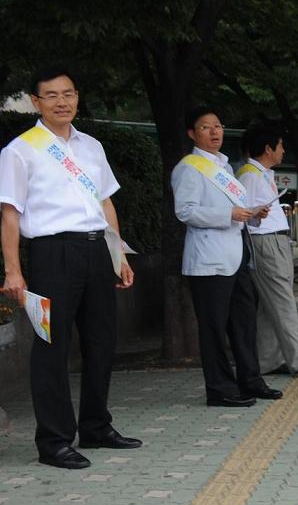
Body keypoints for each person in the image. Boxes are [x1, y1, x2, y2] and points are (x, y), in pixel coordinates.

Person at [0, 67, 141, 469]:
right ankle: (54, 441)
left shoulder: (92, 147)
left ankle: (96, 426)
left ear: (78, 97)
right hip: (52, 254)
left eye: (69, 94)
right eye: (52, 95)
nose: (62, 102)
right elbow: (9, 213)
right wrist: (14, 270)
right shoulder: (20, 150)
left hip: (98, 251)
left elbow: (107, 203)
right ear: (35, 101)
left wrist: (119, 256)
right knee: (51, 347)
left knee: (101, 342)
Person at [171, 109, 282, 408]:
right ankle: (219, 388)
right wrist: (228, 214)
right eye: (205, 127)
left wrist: (253, 213)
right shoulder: (188, 168)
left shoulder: (226, 167)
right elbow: (185, 211)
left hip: (237, 256)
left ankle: (250, 379)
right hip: (209, 260)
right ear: (192, 134)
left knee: (244, 323)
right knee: (214, 328)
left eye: (218, 126)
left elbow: (238, 209)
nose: (214, 132)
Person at [238, 122, 298, 379]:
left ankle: (268, 360)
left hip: (275, 239)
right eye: (280, 145)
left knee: (270, 305)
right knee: (282, 300)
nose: (283, 150)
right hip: (265, 241)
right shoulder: (250, 175)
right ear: (267, 148)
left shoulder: (262, 173)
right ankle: (297, 359)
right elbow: (245, 215)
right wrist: (256, 214)